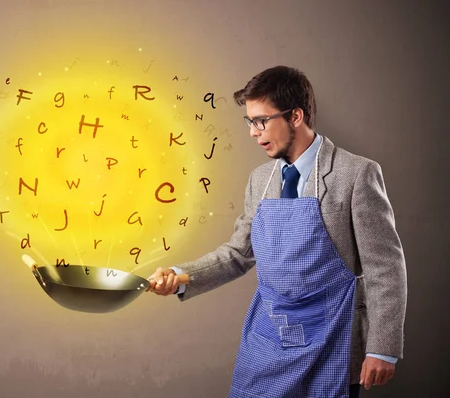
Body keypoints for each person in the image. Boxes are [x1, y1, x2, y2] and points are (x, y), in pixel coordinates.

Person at [146, 65, 407, 398]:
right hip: (268, 339)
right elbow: (238, 254)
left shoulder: (356, 174)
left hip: (333, 342)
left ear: (295, 116)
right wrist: (180, 276)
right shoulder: (260, 180)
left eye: (261, 120)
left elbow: (385, 268)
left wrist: (382, 348)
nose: (254, 132)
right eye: (250, 122)